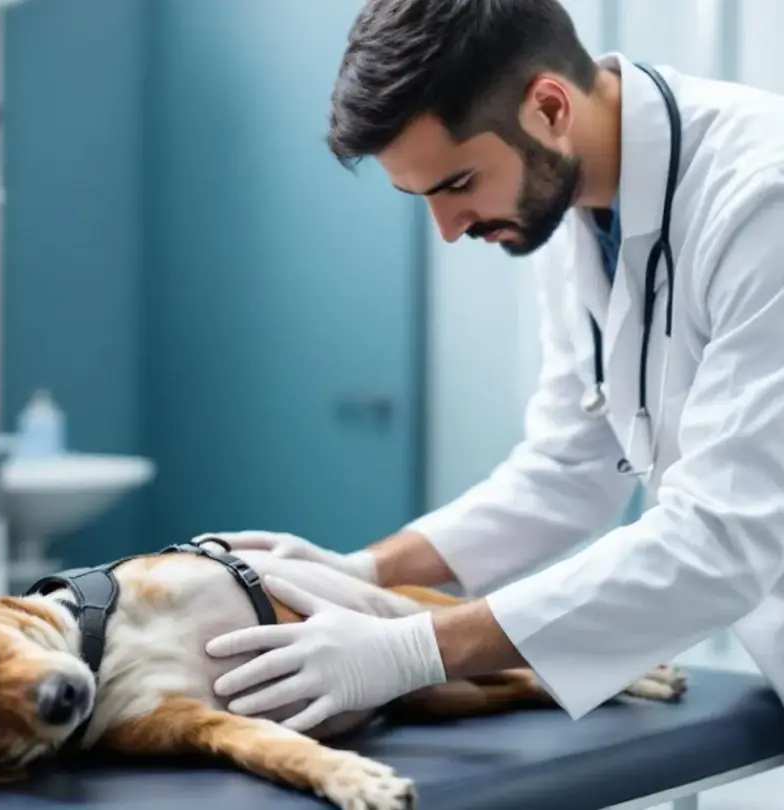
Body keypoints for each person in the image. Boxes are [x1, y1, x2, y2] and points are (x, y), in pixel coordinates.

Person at [201, 0, 784, 735]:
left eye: (457, 185)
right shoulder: (569, 206)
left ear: (548, 107)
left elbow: (721, 539)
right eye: (423, 198)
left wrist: (412, 648)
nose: (448, 230)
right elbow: (569, 467)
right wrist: (362, 572)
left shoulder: (764, 198)